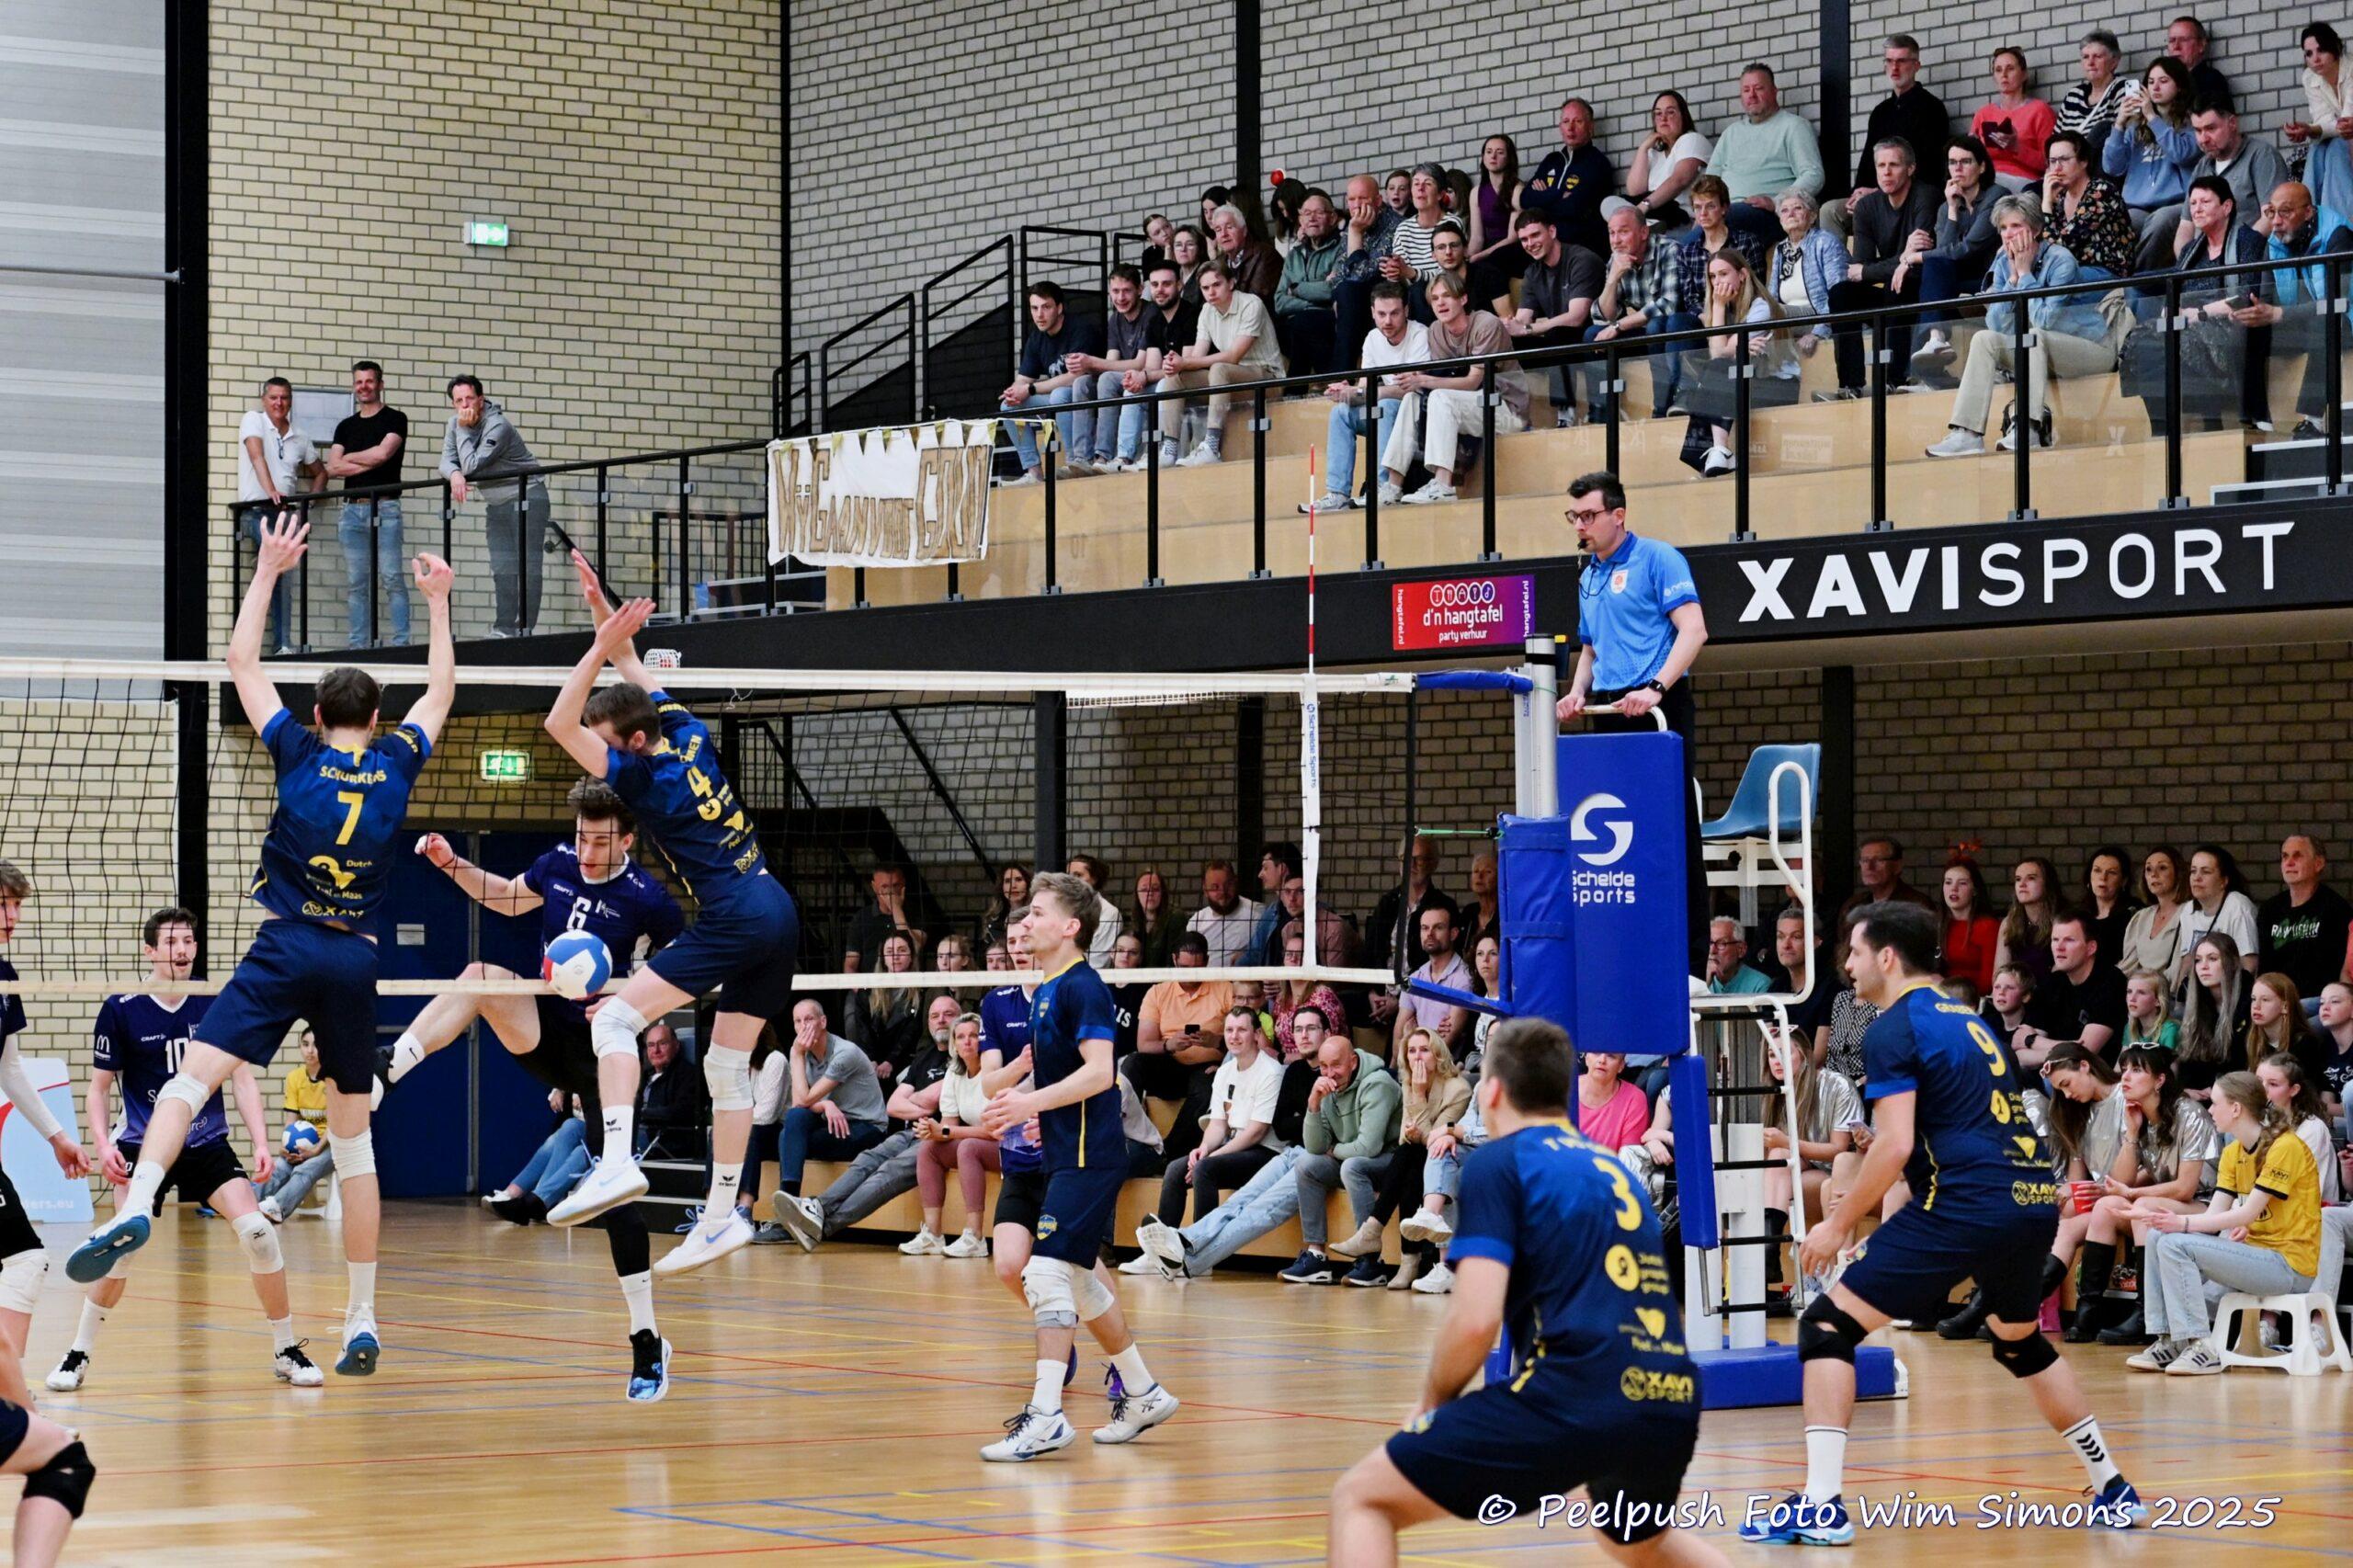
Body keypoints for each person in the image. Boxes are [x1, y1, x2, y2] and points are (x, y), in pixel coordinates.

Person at [68, 514, 454, 1379]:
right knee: (353, 1147)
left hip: (283, 947)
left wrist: (270, 569)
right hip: (354, 958)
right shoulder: (396, 762)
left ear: (318, 715)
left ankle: (135, 1203)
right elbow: (441, 692)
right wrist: (436, 603)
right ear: (376, 718)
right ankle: (361, 1319)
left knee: (187, 1083)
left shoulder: (296, 753)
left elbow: (242, 660)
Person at [1742, 903, 2147, 1545]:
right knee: (2019, 1342)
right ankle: (2114, 1487)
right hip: (2028, 1201)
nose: (1847, 965)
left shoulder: (1892, 1029)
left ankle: (1820, 1504)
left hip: (1963, 1203)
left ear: (1886, 957)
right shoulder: (1971, 1020)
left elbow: (1894, 1144)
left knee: (1825, 1326)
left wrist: (1837, 1223)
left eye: (1854, 952)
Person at [1327, 1017, 1722, 1568]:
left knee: (1361, 1498)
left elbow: (1474, 1319)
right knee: (1636, 1541)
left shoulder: (1501, 1161)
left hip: (1578, 1392)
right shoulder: (1613, 1170)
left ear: (1490, 1092)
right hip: (1670, 1395)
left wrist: (1432, 1403)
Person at [536, 552, 801, 1275]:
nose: (597, 756)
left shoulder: (644, 778)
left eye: (606, 744)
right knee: (727, 1066)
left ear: (631, 744)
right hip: (775, 907)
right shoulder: (686, 733)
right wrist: (604, 613)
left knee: (615, 1021)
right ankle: (721, 1219)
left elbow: (559, 720)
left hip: (737, 915)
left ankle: (617, 1161)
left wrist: (597, 644)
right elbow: (631, 665)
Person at [380, 779, 684, 1394]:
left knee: (617, 1202)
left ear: (627, 840)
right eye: (582, 837)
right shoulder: (558, 864)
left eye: (601, 842)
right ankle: (387, 1069)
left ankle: (647, 1338)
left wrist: (629, 998)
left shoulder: (649, 899)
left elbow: (683, 971)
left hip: (606, 1053)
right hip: (547, 1034)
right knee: (481, 976)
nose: (588, 851)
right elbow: (507, 898)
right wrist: (450, 863)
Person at [44, 909, 318, 1393]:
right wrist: (103, 1144)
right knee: (122, 1251)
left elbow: (241, 1078)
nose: (183, 950)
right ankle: (77, 1353)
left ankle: (286, 1349)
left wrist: (260, 1141)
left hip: (206, 1142)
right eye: (172, 942)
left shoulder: (216, 1002)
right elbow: (98, 1089)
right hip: (141, 1143)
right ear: (150, 950)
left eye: (189, 941)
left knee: (259, 1234)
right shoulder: (122, 1007)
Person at [975, 872, 1178, 1460]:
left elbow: (1100, 1073)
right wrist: (1037, 1113)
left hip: (1091, 1157)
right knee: (1082, 1281)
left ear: (1070, 926)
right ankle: (1143, 1392)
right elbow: (1066, 1081)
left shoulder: (1084, 986)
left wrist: (1029, 1103)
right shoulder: (1047, 988)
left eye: (1038, 912)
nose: (1026, 921)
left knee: (1043, 1273)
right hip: (1067, 1152)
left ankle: (1046, 1416)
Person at [1557, 472, 1709, 972]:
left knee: (1672, 828)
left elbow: (1694, 630)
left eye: (1588, 515)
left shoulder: (1659, 558)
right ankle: (1631, 952)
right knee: (1619, 834)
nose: (1580, 526)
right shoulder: (1588, 577)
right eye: (1574, 516)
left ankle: (1691, 962)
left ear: (1618, 515)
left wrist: (1657, 688)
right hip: (1610, 711)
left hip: (1658, 707)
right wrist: (1576, 693)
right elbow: (1591, 648)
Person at [2125, 1071, 2324, 1373]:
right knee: (2157, 1236)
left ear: (2236, 1108)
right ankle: (2169, 1339)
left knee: (2176, 1243)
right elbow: (2212, 1217)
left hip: (2289, 1266)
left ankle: (2201, 1345)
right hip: (2255, 1257)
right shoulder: (2232, 1152)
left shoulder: (2286, 1147)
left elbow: (2246, 1215)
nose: (2209, 1110)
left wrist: (2181, 1224)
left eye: (2215, 1103)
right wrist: (2164, 1220)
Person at [1923, 196, 2118, 458]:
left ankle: (2028, 428)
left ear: (2035, 230)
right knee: (1984, 338)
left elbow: (2045, 321)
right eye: (2003, 228)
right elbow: (1997, 325)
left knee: (2033, 336)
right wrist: (2012, 280)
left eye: (2016, 226)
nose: (2008, 234)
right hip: (2039, 351)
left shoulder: (2061, 260)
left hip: (2091, 349)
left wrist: (2025, 275)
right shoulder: (2004, 262)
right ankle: (1967, 434)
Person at [769, 995, 955, 1250]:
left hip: (942, 1133)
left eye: (949, 1015)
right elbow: (894, 1106)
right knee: (863, 1158)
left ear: (823, 1022)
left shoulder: (963, 1060)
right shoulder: (925, 1058)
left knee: (888, 1171)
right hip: (911, 1131)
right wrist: (823, 1100)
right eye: (934, 1016)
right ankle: (812, 1206)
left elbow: (931, 1100)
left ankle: (821, 1226)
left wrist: (918, 1099)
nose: (941, 1020)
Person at [2085, 1042, 2221, 1345]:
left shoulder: (2190, 1114)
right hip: (2171, 1204)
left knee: (2144, 1205)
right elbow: (2121, 1181)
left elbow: (2185, 1188)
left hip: (2209, 1206)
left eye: (2136, 1070)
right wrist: (2132, 1134)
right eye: (2124, 1070)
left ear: (2160, 1080)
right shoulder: (2140, 1116)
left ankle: (2148, 1315)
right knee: (2107, 1206)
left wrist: (2132, 1193)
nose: (2125, 1077)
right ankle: (2088, 1312)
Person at [1331, 1028, 1470, 1290]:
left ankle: (1377, 1234)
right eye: (1412, 1051)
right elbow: (1408, 1136)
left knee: (1412, 1156)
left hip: (1447, 1159)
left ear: (1438, 1054)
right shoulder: (1408, 1082)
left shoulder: (1458, 1090)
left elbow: (1436, 1140)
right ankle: (1405, 1259)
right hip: (1417, 1157)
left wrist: (1419, 1095)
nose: (1417, 1057)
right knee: (1409, 1159)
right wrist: (1416, 1121)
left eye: (1424, 1050)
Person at [1280, 1027, 1404, 1287]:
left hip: (1391, 1162)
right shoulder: (1328, 1087)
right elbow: (1315, 1147)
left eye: (1336, 1065)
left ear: (1353, 1061)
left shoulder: (1378, 1083)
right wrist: (1313, 1104)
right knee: (1306, 1164)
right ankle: (1316, 1255)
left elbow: (1369, 1147)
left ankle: (1371, 1260)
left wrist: (1334, 1150)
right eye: (1324, 1067)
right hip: (1352, 1159)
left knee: (1353, 1166)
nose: (1329, 1074)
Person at [1390, 273, 1527, 506]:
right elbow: (1447, 378)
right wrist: (1418, 381)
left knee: (1439, 396)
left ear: (1463, 299)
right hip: (1470, 407)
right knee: (1412, 399)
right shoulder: (1436, 331)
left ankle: (1443, 485)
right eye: (1435, 299)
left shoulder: (1486, 324)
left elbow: (1472, 381)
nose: (1440, 303)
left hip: (1506, 408)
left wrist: (1423, 380)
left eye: (1447, 296)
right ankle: (1392, 486)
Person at [1821, 140, 1940, 400]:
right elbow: (1860, 267)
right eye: (1881, 165)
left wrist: (1880, 268)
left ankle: (1894, 380)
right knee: (1842, 292)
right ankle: (1850, 385)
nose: (1886, 172)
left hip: (1923, 291)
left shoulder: (1925, 196)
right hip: (1890, 288)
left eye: (1894, 165)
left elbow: (1918, 260)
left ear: (1910, 168)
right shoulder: (1867, 206)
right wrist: (1899, 259)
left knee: (1901, 283)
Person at [1154, 1004, 1283, 1230]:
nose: (1234, 1036)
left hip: (1266, 1152)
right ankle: (1163, 1242)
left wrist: (1211, 1157)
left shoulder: (1271, 1071)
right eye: (1229, 1030)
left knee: (1205, 1169)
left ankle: (1201, 1244)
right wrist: (1203, 1149)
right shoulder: (1224, 1071)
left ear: (1257, 1034)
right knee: (1175, 1169)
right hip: (1234, 1146)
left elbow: (1257, 1132)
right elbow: (1217, 1125)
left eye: (1242, 1030)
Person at [439, 374, 549, 638]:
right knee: (502, 567)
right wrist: (454, 475)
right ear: (453, 404)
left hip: (527, 497)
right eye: (458, 401)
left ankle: (525, 628)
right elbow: (446, 460)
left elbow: (472, 466)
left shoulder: (498, 425)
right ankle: (504, 628)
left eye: (469, 398)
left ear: (481, 399)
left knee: (527, 565)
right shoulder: (454, 423)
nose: (465, 405)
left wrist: (462, 434)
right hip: (497, 503)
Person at [1156, 261, 1282, 468]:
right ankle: (1169, 450)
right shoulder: (1206, 311)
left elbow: (1233, 356)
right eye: (1205, 288)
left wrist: (1185, 361)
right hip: (1230, 380)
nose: (1211, 292)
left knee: (1219, 368)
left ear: (1231, 283)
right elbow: (1197, 357)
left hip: (1268, 379)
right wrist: (1176, 364)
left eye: (1217, 285)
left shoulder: (1251, 304)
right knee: (1175, 379)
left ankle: (1211, 447)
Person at [2253, 181, 2353, 441]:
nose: (2276, 221)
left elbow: (2336, 301)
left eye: (2285, 212)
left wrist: (2280, 314)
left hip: (2345, 319)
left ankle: (2313, 420)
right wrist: (2252, 312)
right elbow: (2264, 296)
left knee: (2324, 322)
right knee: (2249, 329)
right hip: (2303, 322)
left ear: (2308, 212)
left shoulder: (2338, 235)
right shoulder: (2275, 242)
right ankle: (2254, 418)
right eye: (2271, 212)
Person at [1680, 246, 1791, 476]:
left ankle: (1719, 452)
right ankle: (1719, 452)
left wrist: (1718, 307)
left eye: (1723, 274)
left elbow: (1719, 354)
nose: (1717, 282)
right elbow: (1721, 354)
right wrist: (1721, 312)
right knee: (1716, 375)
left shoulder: (1761, 307)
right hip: (1744, 382)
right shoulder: (1724, 311)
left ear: (1742, 275)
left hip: (1779, 385)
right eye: (1712, 276)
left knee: (1715, 373)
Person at [1122, 932, 1232, 1162]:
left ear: (1207, 961)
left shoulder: (1225, 988)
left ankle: (1166, 1154)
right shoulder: (1158, 992)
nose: (1190, 975)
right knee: (1133, 1063)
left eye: (1196, 969)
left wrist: (1217, 1042)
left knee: (1210, 1087)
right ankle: (1127, 1136)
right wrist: (1169, 1045)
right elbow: (1144, 1044)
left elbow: (1245, 1035)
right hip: (1169, 1065)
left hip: (1208, 1067)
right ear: (1174, 960)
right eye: (1184, 968)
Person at [324, 360, 411, 649]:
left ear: (380, 384)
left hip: (385, 508)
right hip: (351, 511)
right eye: (359, 382)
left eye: (369, 381)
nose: (364, 387)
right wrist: (368, 459)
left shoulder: (396, 418)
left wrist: (349, 458)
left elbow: (383, 454)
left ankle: (401, 643)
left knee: (392, 577)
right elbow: (332, 468)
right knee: (356, 582)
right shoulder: (345, 426)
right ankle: (358, 645)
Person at [1587, 205, 1698, 421]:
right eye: (1612, 233)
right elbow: (1603, 317)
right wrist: (1613, 279)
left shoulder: (1669, 250)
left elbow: (1668, 305)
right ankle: (1601, 412)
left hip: (1675, 332)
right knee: (1592, 335)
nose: (1616, 240)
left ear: (1644, 232)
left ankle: (1662, 407)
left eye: (1623, 232)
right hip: (1645, 332)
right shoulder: (1616, 260)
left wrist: (1618, 326)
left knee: (1656, 325)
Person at [235, 377, 320, 653]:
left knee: (282, 576)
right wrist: (271, 490)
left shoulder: (300, 436)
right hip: (256, 511)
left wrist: (310, 504)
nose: (279, 403)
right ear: (264, 399)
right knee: (273, 572)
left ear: (290, 401)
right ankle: (258, 643)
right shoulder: (254, 420)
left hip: (285, 517)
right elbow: (256, 456)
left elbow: (321, 473)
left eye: (284, 398)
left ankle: (282, 644)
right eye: (273, 397)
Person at [1905, 136, 2002, 374]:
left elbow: (1969, 247)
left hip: (1990, 280)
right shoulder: (1945, 207)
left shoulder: (1996, 196)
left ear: (1982, 166)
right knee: (1931, 272)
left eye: (1965, 162)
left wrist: (1917, 257)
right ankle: (1936, 340)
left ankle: (1925, 375)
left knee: (1930, 269)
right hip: (1958, 281)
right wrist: (1951, 209)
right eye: (1952, 162)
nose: (1957, 169)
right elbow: (1944, 252)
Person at [904, 1011, 997, 1257]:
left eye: (974, 1036)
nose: (967, 1042)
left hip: (1007, 1145)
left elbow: (994, 1131)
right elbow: (948, 1125)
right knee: (928, 1149)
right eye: (961, 1037)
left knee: (968, 1147)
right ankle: (932, 1235)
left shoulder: (994, 1072)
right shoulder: (954, 1074)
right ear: (954, 1043)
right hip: (977, 1143)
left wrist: (945, 1130)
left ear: (984, 1039)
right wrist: (931, 1130)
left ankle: (975, 1237)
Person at [998, 281, 1107, 483]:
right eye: (1034, 308)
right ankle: (1034, 472)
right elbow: (1023, 379)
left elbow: (1076, 376)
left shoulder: (1080, 329)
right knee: (1008, 406)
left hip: (1090, 393)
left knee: (1060, 394)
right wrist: (1013, 392)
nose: (1039, 314)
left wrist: (1031, 389)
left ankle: (1075, 462)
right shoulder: (1036, 338)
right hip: (1058, 397)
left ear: (1059, 307)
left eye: (1046, 307)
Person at [1504, 211, 1605, 426]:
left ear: (1552, 231)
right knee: (1507, 342)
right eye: (1524, 239)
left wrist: (1528, 328)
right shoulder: (1532, 272)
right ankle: (1513, 417)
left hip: (1593, 340)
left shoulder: (1581, 259)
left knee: (1558, 332)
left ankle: (1565, 413)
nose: (1530, 244)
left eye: (1535, 235)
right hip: (1558, 345)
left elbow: (1577, 317)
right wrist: (1509, 327)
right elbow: (1523, 320)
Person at [1705, 62, 1825, 244]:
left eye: (1759, 88)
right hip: (1726, 212)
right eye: (1746, 90)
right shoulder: (1731, 133)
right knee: (1686, 246)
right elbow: (1709, 183)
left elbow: (1814, 175)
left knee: (1718, 223)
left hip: (1767, 215)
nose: (1752, 95)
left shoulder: (1793, 126)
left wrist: (1776, 202)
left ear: (1774, 91)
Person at [2104, 58, 2201, 272]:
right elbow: (2112, 167)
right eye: (2150, 82)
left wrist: (2151, 116)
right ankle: (2111, 279)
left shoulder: (2192, 122)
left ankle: (2138, 280)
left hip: (2177, 205)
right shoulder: (2135, 127)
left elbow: (2181, 154)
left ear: (2179, 86)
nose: (2155, 87)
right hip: (2137, 206)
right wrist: (2119, 124)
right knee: (2113, 222)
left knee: (2160, 221)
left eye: (2163, 81)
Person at [1847, 37, 1950, 229]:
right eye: (1889, 61)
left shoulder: (1932, 108)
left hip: (1912, 194)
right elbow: (1868, 160)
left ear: (1916, 66)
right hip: (1876, 196)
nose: (1894, 68)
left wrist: (1878, 191)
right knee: (1830, 210)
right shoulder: (1880, 112)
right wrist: (1858, 192)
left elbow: (1932, 166)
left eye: (1901, 61)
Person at [2013, 912, 2126, 1070]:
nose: (2059, 947)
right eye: (2055, 940)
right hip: (2050, 1075)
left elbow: (2086, 1051)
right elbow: (2019, 1054)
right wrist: (2068, 1050)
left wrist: (2032, 1041)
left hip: (2094, 1076)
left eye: (2069, 940)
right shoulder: (2051, 983)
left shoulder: (2111, 981)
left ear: (2091, 948)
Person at [2255, 834, 2349, 998]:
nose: (2289, 862)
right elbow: (2264, 968)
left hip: (2317, 1003)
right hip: (2276, 1001)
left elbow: (2337, 969)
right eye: (2285, 856)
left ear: (2318, 864)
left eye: (2297, 856)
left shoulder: (2336, 909)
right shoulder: (2270, 909)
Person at [1520, 97, 1615, 258]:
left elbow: (1574, 207)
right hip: (1543, 245)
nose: (1570, 128)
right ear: (1560, 127)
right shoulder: (1552, 160)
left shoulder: (1597, 163)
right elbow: (1525, 199)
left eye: (1578, 121)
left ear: (1590, 126)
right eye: (1566, 121)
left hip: (1579, 247)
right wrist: (1558, 194)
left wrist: (1543, 198)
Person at [2039, 130, 2137, 281]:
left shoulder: (2101, 192)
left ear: (2084, 161)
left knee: (2052, 278)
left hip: (2107, 273)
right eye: (2052, 161)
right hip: (2071, 270)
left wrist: (2046, 203)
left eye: (2064, 159)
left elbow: (2061, 247)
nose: (2057, 168)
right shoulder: (2059, 197)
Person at [256, 1030, 334, 1220]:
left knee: (303, 1169)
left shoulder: (334, 1078)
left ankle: (277, 1208)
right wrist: (286, 1147)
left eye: (316, 1045)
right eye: (305, 1044)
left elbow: (335, 1124)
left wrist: (315, 1150)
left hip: (332, 1145)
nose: (310, 1050)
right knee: (280, 1167)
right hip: (305, 1145)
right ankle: (247, 1204)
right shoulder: (294, 1078)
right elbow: (291, 1120)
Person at [1332, 174, 1404, 369]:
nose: (1356, 205)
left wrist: (1356, 233)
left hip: (1384, 298)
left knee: (1348, 291)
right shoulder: (1351, 226)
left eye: (1363, 198)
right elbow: (1335, 277)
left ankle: (1344, 375)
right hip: (1355, 304)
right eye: (1351, 199)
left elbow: (1361, 275)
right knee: (1305, 321)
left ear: (1378, 201)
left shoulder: (1396, 225)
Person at [1768, 190, 1846, 366]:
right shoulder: (1781, 249)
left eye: (1797, 208)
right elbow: (1771, 296)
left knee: (1766, 311)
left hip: (1816, 315)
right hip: (1788, 317)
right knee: (1760, 309)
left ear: (1812, 217)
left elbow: (1838, 295)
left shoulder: (1825, 242)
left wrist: (1819, 331)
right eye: (1785, 210)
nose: (1791, 214)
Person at [1273, 189, 1346, 375]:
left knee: (1304, 323)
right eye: (1307, 213)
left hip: (1329, 321)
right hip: (1300, 323)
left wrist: (1296, 288)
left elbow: (1332, 290)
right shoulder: (1294, 255)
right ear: (1300, 220)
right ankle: (1322, 381)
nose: (1312, 218)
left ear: (1332, 218)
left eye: (1319, 212)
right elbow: (1279, 301)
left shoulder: (1342, 248)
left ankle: (1299, 387)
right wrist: (1311, 303)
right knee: (1289, 326)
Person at [2256, 1051, 2341, 1202]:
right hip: (2262, 1206)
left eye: (2273, 1084)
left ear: (2294, 1090)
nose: (2263, 1090)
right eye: (2258, 1081)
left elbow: (2306, 1190)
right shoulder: (2259, 1122)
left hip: (2307, 1210)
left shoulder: (2312, 1128)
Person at [2177, 933, 2253, 1097]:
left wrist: (2218, 1090)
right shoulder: (2197, 1003)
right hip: (2205, 1095)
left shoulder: (2251, 999)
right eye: (2198, 960)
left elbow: (2244, 1058)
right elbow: (2190, 1059)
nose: (2203, 966)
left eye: (2212, 959)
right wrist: (2186, 1091)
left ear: (2233, 962)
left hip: (2240, 1092)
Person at [1970, 46, 2055, 192]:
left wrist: (2017, 148)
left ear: (2024, 74)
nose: (2004, 75)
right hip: (1987, 179)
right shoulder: (1983, 114)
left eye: (2010, 69)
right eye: (1998, 70)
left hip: (2022, 182)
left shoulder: (2040, 110)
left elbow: (2050, 163)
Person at [2290, 24, 2353, 220]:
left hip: (2347, 137)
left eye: (2321, 50)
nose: (2315, 59)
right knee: (2318, 146)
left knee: (2335, 147)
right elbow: (2325, 120)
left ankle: (2337, 221)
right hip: (2345, 135)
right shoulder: (2309, 77)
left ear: (2335, 48)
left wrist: (2317, 129)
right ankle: (2306, 215)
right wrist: (2309, 129)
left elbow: (2347, 119)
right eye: (2309, 54)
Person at [1629, 90, 1712, 230]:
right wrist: (1643, 149)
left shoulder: (1692, 139)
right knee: (1611, 202)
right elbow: (1635, 192)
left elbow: (1679, 180)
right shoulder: (1654, 153)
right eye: (1658, 113)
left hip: (1682, 219)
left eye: (1670, 112)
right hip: (1652, 215)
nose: (1663, 118)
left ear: (1683, 116)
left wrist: (1644, 206)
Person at [2179, 843, 2262, 979]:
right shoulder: (2188, 911)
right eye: (2193, 871)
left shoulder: (2238, 906)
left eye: (2206, 872)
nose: (2196, 877)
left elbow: (2249, 965)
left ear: (2224, 880)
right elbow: (2187, 961)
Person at [2054, 29, 2131, 169]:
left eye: (2097, 56)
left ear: (2114, 61)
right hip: (2065, 170)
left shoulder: (2123, 88)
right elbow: (2055, 139)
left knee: (2103, 129)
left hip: (2100, 169)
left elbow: (2126, 137)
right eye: (2085, 57)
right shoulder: (2073, 96)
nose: (2090, 62)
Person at [1835, 835, 1937, 931]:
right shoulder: (1852, 905)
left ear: (1897, 866)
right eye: (1865, 861)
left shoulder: (1917, 906)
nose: (1869, 867)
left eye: (1879, 860)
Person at [2120, 845, 2191, 976]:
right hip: (2141, 988)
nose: (2154, 874)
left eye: (2162, 868)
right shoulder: (2141, 917)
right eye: (2148, 869)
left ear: (2178, 873)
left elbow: (2182, 969)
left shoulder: (2190, 914)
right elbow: (2128, 966)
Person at [2245, 972, 2325, 1088]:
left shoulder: (2304, 1043)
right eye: (2253, 999)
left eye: (2265, 1000)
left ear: (2285, 1007)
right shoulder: (2252, 1040)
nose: (2256, 1006)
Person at [1992, 855, 2058, 983]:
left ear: (2047, 883)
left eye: (2031, 878)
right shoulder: (2009, 923)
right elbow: (1999, 974)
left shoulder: (2062, 920)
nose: (2022, 884)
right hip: (2018, 991)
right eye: (2018, 879)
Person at [1938, 857, 1999, 994]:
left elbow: (1989, 982)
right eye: (1948, 882)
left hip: (1974, 999)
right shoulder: (1936, 924)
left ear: (1975, 890)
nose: (1953, 889)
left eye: (1962, 883)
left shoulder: (1988, 927)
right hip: (1939, 998)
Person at [1207, 201, 1280, 305]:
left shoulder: (1264, 255)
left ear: (1244, 230)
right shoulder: (1220, 262)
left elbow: (1255, 302)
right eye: (1218, 230)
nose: (1224, 234)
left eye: (1229, 227)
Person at [1575, 1050, 1651, 1148]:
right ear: (1586, 1058)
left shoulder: (1634, 1099)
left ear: (1621, 1065)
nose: (1602, 1060)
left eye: (1611, 1056)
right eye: (1596, 1052)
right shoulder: (1564, 1087)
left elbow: (1628, 1154)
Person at [1707, 916, 1772, 992]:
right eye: (1710, 943)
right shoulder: (1700, 981)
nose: (1712, 950)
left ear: (1741, 950)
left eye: (1721, 943)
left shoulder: (1760, 984)